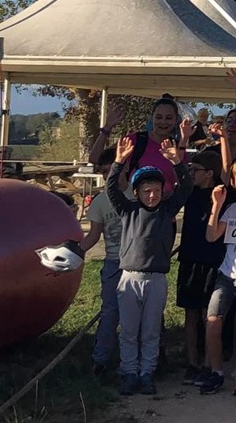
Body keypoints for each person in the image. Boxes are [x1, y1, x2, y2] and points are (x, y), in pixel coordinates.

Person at [107, 133, 193, 396]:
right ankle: (129, 372)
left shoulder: (167, 210)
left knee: (151, 330)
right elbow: (111, 188)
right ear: (136, 192)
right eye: (147, 191)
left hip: (156, 279)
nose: (152, 195)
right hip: (129, 278)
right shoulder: (129, 210)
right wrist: (119, 162)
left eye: (156, 190)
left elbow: (186, 187)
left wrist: (176, 162)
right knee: (129, 331)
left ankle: (147, 373)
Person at [198, 157, 236, 395]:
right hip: (226, 274)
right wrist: (216, 205)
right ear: (233, 183)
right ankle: (216, 371)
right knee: (213, 320)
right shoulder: (232, 208)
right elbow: (212, 236)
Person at [177, 149, 226, 384]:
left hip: (211, 260)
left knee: (210, 314)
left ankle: (209, 361)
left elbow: (226, 171)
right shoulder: (188, 193)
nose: (191, 174)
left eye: (195, 170)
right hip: (189, 258)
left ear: (209, 174)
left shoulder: (223, 195)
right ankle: (191, 361)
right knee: (190, 312)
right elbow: (179, 175)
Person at [81, 144, 122, 379]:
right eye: (104, 172)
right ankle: (101, 360)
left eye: (112, 170)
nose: (108, 176)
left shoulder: (137, 195)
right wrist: (74, 252)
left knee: (143, 314)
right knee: (109, 312)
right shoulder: (100, 202)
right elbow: (93, 236)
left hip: (137, 264)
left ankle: (148, 359)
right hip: (113, 262)